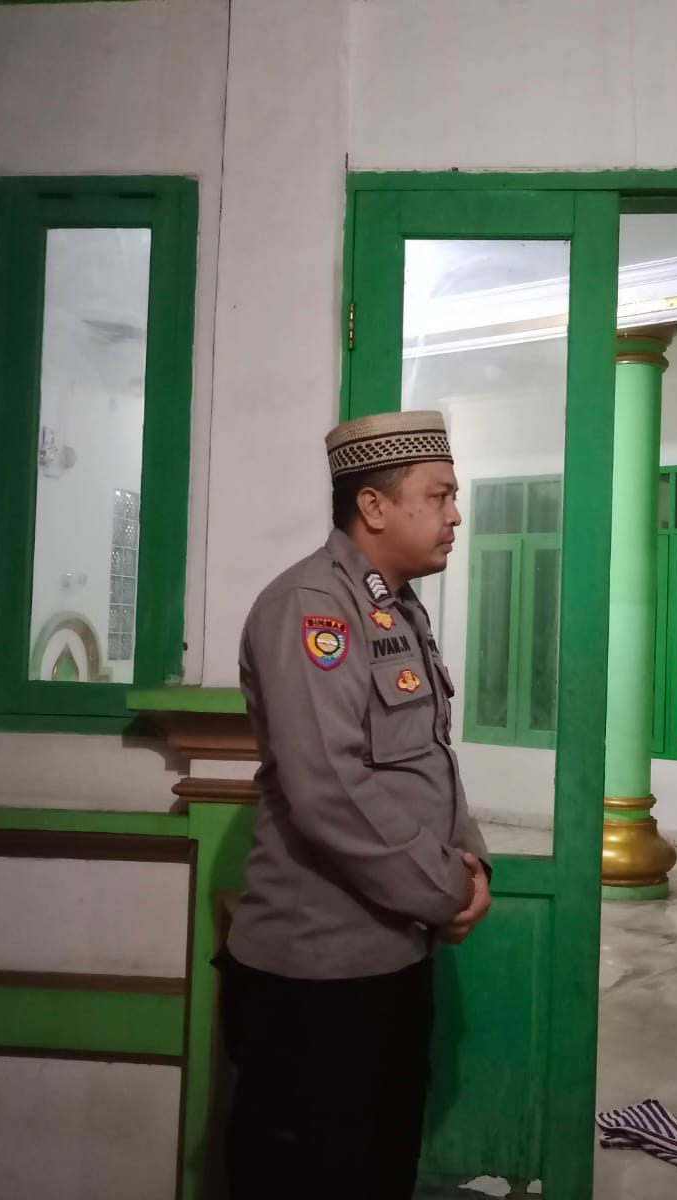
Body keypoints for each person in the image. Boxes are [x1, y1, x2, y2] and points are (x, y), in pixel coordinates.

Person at [216, 410, 492, 1200]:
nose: (455, 515)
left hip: (390, 955)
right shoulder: (312, 607)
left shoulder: (396, 608)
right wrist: (445, 888)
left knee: (377, 1169)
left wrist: (471, 863)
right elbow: (328, 788)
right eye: (438, 495)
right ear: (373, 506)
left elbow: (427, 759)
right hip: (316, 978)